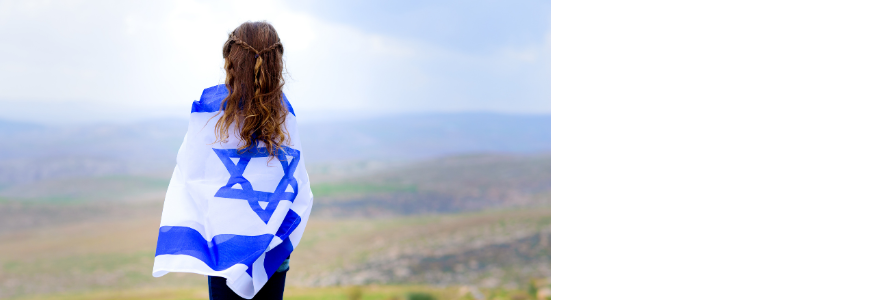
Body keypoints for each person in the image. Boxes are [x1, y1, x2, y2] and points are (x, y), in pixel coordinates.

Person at [152, 21, 314, 300]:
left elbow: (192, 175)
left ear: (231, 61)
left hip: (225, 253)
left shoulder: (212, 114)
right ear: (276, 63)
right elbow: (295, 185)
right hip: (273, 253)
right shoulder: (285, 115)